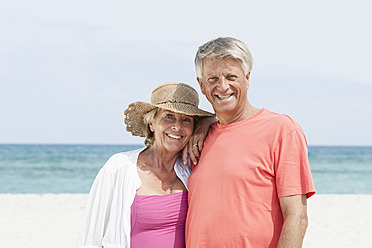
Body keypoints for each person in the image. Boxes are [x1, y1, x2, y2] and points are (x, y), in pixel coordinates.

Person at [184, 37, 316, 248]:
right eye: (213, 79)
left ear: (247, 78)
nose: (223, 86)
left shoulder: (281, 130)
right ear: (200, 84)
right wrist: (204, 122)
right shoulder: (195, 137)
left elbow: (297, 217)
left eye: (231, 76)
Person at [78, 82, 213, 248]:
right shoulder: (119, 167)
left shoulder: (191, 169)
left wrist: (207, 123)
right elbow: (91, 238)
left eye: (187, 120)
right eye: (168, 116)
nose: (177, 126)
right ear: (152, 123)